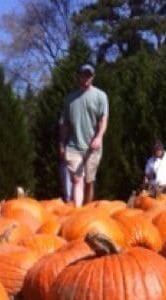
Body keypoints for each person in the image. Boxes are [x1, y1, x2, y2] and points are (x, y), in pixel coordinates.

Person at [58, 63, 109, 207]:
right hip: (74, 146)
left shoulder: (101, 96)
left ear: (93, 77)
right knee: (77, 179)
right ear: (78, 76)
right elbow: (64, 124)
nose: (86, 78)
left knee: (89, 181)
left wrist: (99, 137)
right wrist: (61, 144)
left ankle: (87, 209)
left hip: (93, 147)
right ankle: (78, 212)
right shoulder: (70, 99)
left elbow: (103, 120)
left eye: (89, 75)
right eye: (83, 75)